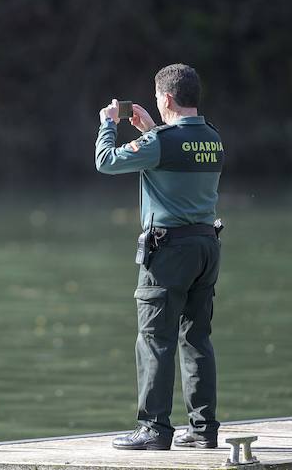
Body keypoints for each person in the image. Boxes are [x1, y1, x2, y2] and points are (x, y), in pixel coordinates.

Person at [95, 64, 223, 451]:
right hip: (206, 247)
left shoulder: (162, 142)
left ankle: (154, 428)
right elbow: (176, 157)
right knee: (196, 337)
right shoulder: (213, 138)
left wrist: (108, 123)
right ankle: (203, 430)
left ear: (166, 98)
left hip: (169, 251)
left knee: (154, 339)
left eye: (157, 99)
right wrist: (152, 130)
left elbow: (106, 160)